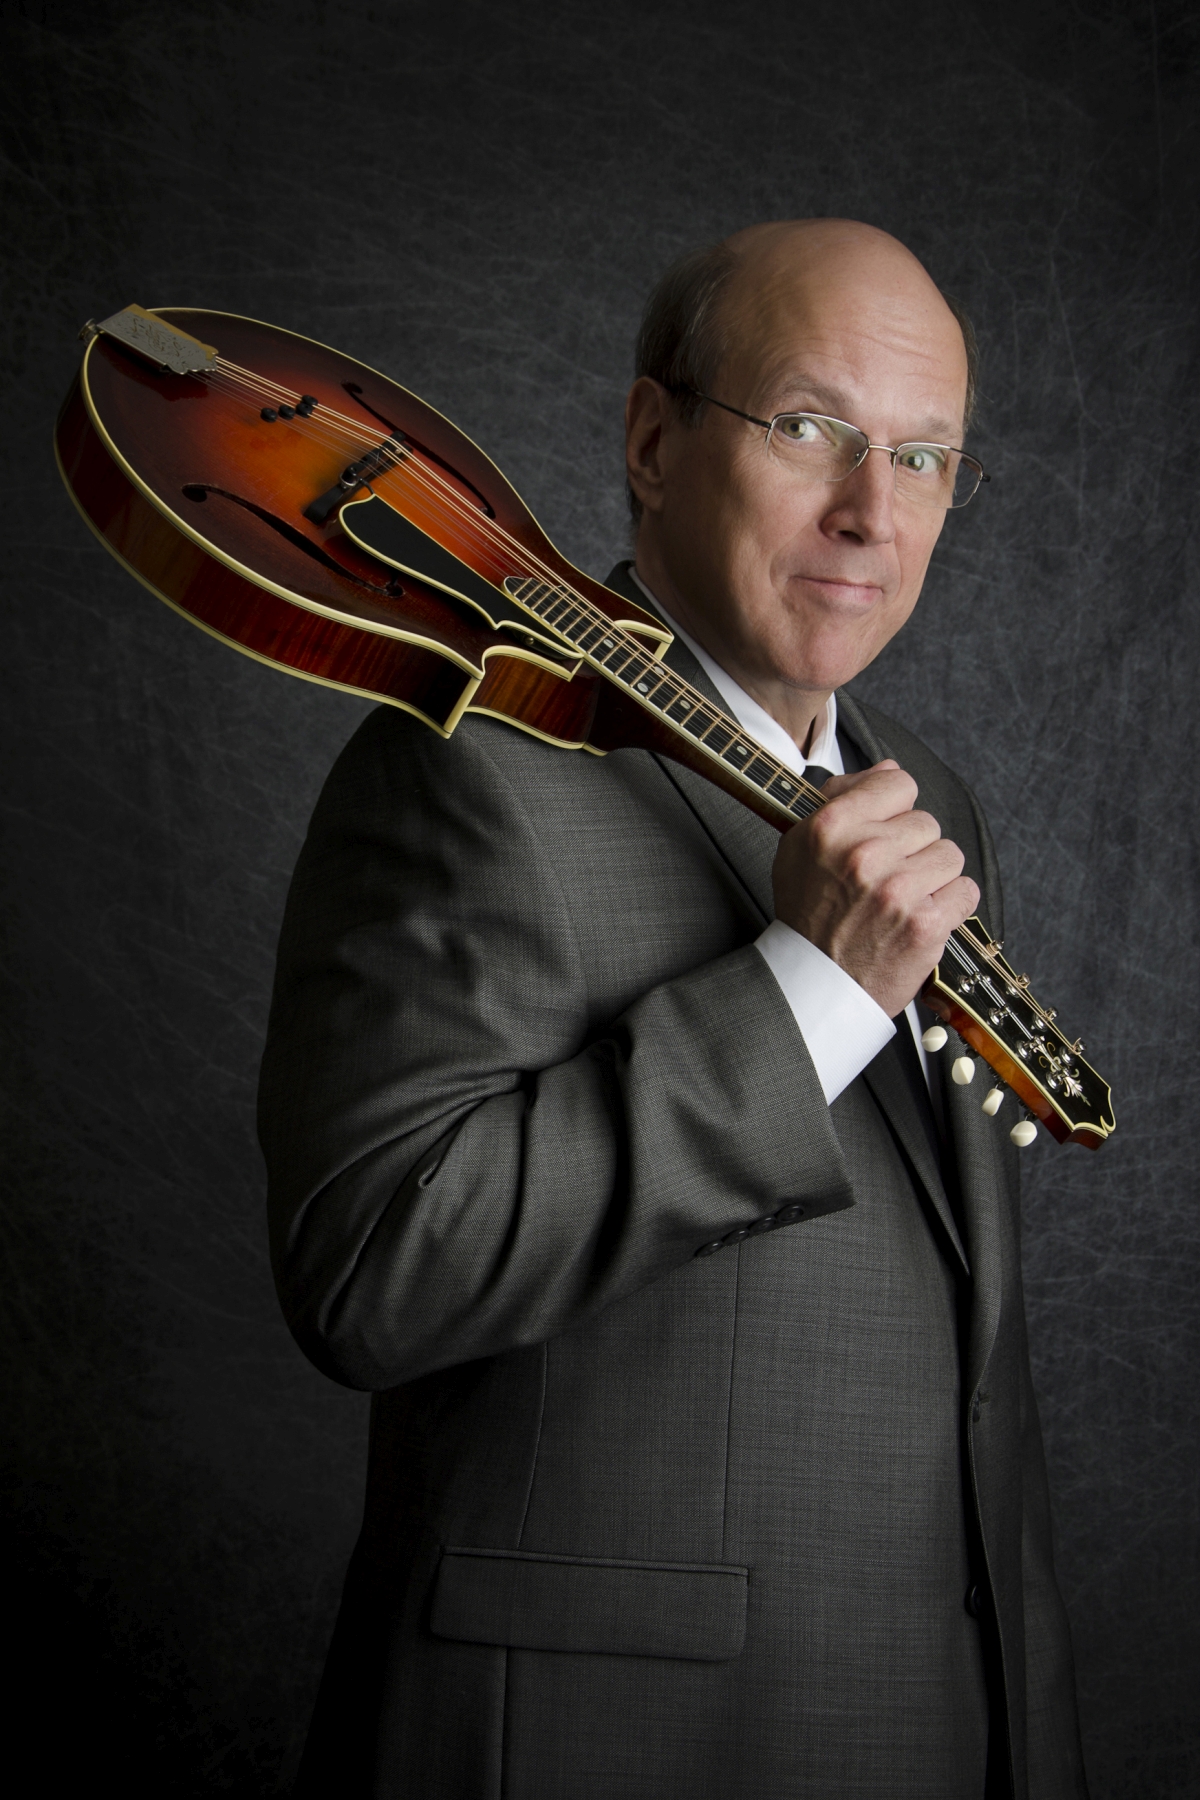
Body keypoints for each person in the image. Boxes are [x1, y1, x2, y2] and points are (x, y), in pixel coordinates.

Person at [258, 219, 1088, 1798]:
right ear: (653, 440)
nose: (870, 511)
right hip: (607, 1744)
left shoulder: (934, 806)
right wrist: (809, 994)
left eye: (924, 460)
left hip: (930, 1728)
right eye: (811, 430)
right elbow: (370, 1268)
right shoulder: (464, 769)